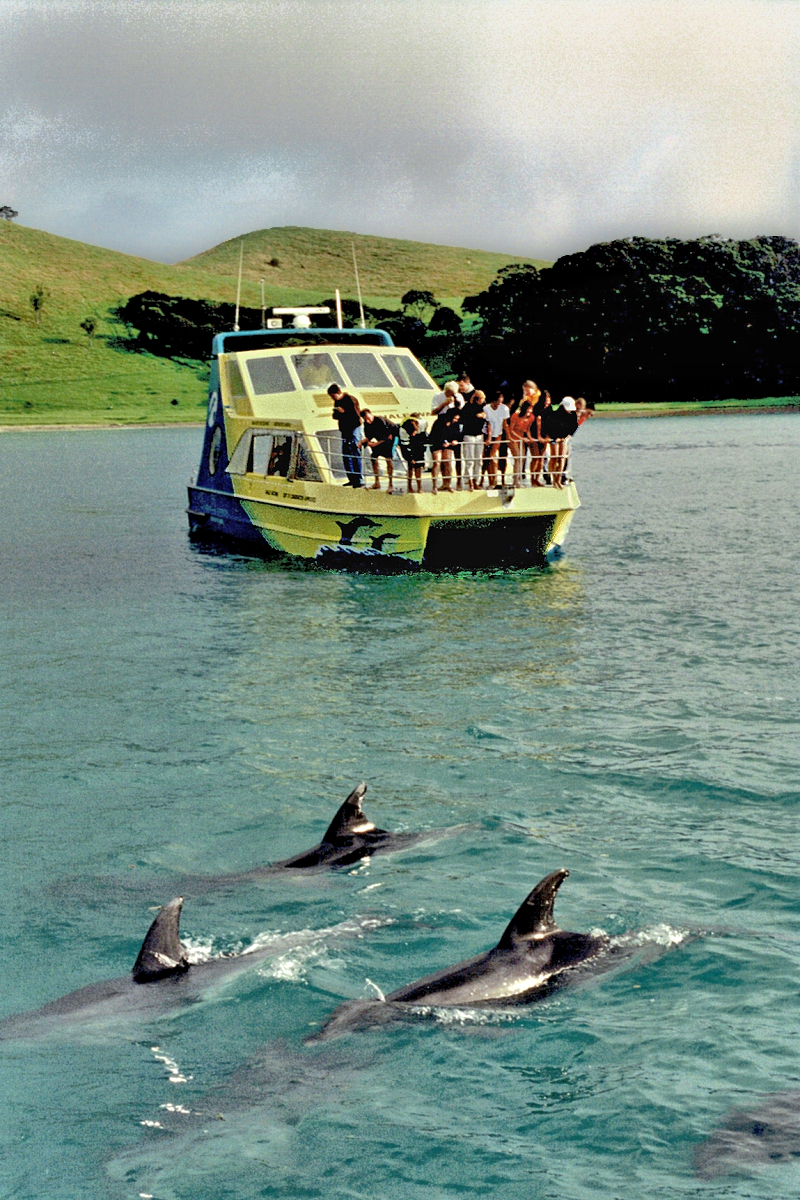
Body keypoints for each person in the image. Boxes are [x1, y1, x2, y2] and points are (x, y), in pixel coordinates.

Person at [329, 383, 363, 488]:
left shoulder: (350, 400)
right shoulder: (337, 402)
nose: (332, 398)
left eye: (333, 396)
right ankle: (351, 478)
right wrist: (338, 413)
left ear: (338, 393)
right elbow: (335, 415)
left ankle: (359, 480)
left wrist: (344, 412)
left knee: (354, 452)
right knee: (346, 455)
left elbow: (356, 416)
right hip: (345, 430)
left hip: (353, 428)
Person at [359, 409, 398, 492]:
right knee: (373, 457)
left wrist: (375, 444)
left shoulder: (380, 421)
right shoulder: (367, 424)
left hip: (390, 439)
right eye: (365, 419)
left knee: (388, 459)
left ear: (370, 414)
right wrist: (363, 442)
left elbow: (388, 436)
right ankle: (377, 482)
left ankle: (390, 484)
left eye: (368, 418)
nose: (368, 421)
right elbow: (369, 436)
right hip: (379, 441)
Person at [428, 405, 460, 493]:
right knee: (437, 462)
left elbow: (457, 435)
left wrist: (455, 441)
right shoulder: (439, 422)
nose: (456, 420)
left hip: (449, 444)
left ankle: (447, 484)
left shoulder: (455, 424)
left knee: (448, 462)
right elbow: (432, 436)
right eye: (455, 418)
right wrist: (441, 442)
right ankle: (434, 485)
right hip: (437, 444)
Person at [460, 388, 487, 490]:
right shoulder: (468, 407)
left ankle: (476, 479)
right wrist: (477, 416)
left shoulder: (484, 408)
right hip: (469, 435)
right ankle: (470, 480)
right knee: (470, 459)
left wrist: (482, 415)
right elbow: (466, 419)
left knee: (479, 459)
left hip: (479, 435)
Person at [482, 391, 510, 488]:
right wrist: (489, 437)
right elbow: (488, 424)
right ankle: (488, 480)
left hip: (498, 433)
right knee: (486, 457)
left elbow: (505, 424)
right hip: (486, 434)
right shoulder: (486, 408)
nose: (500, 402)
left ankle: (494, 481)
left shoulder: (504, 408)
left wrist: (509, 437)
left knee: (492, 457)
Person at [507, 399, 535, 487]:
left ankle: (517, 479)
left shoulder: (531, 417)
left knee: (521, 459)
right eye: (528, 409)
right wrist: (522, 438)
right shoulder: (515, 415)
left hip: (521, 438)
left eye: (531, 409)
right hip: (513, 438)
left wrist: (530, 438)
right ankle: (515, 481)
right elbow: (511, 430)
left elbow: (528, 430)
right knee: (518, 457)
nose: (530, 411)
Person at [399, 417, 427, 493]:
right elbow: (405, 447)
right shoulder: (403, 430)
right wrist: (410, 458)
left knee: (418, 466)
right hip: (407, 445)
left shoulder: (422, 424)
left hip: (418, 443)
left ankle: (419, 487)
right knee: (410, 466)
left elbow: (424, 438)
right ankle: (409, 486)